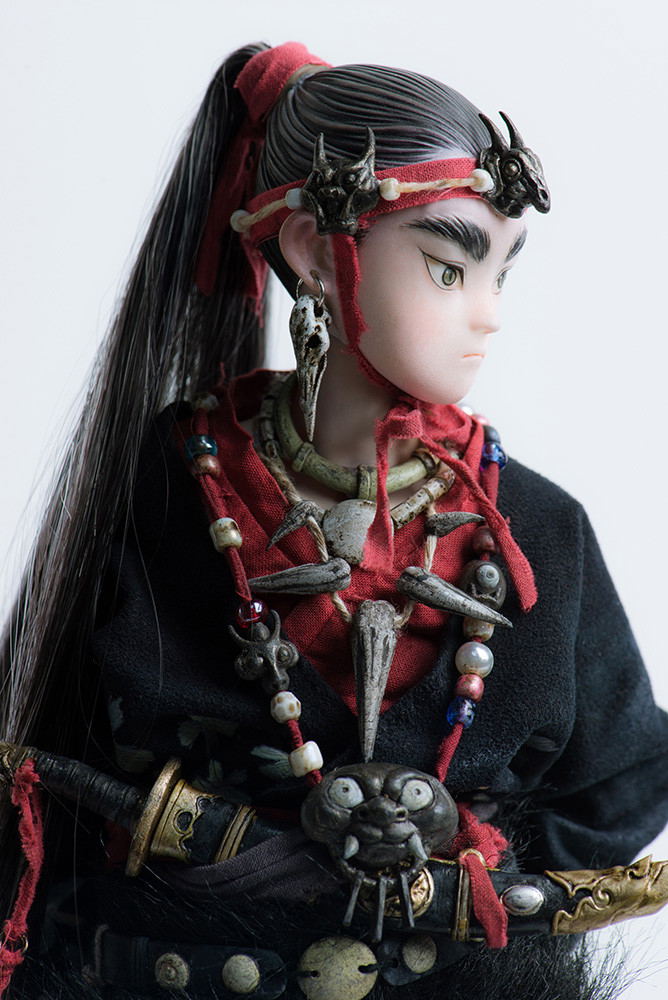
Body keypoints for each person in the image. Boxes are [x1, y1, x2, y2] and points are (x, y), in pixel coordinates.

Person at [1, 40, 667, 1000]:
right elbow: (51, 767)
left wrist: (472, 865)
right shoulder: (173, 485)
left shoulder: (533, 525)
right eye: (449, 269)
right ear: (316, 249)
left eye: (500, 275)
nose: (487, 314)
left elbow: (620, 783)